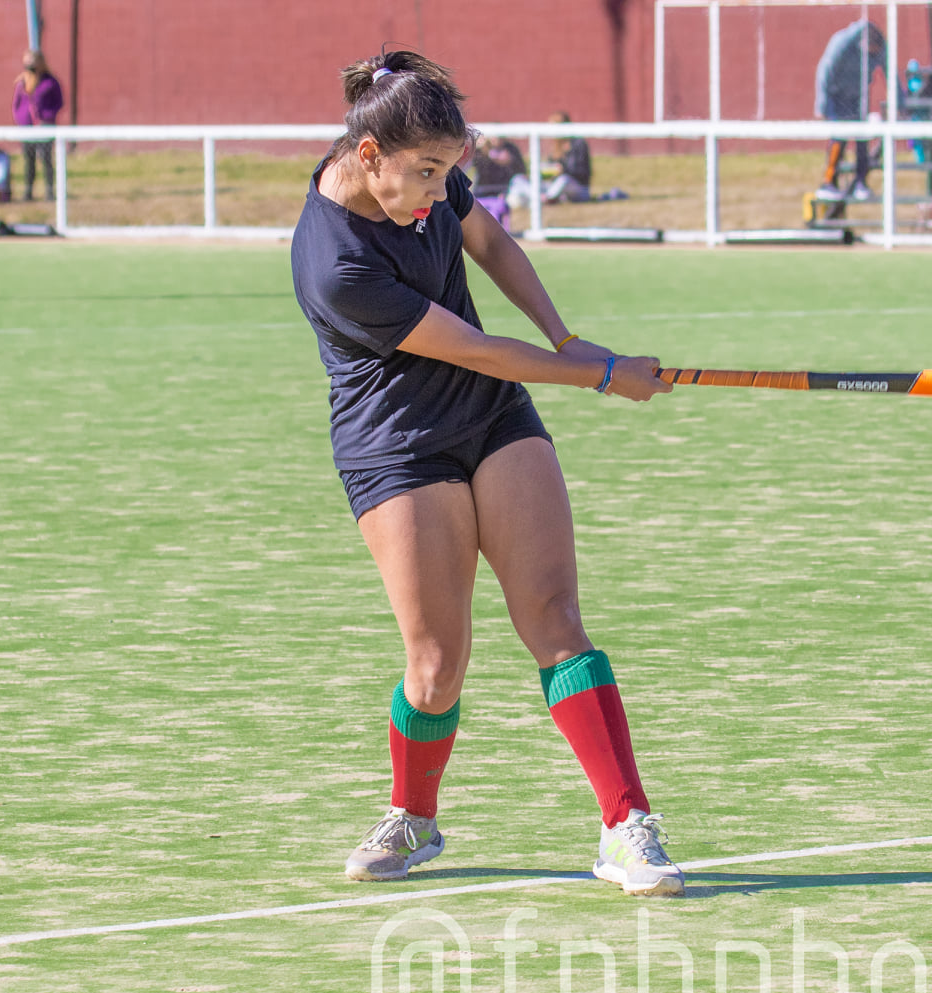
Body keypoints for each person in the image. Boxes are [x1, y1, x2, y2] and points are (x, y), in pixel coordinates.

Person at [290, 51, 684, 896]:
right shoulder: (336, 264)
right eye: (427, 174)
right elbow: (468, 344)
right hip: (398, 445)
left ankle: (626, 825)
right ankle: (414, 816)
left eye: (450, 171)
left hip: (493, 417)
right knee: (436, 665)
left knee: (555, 618)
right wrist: (604, 375)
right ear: (368, 157)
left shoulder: (424, 175)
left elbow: (490, 240)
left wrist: (566, 335)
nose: (439, 192)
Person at [814, 18, 885, 202]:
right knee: (839, 137)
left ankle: (861, 182)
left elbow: (890, 73)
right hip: (835, 97)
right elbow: (825, 69)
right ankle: (828, 182)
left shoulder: (880, 48)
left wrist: (901, 104)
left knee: (862, 138)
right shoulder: (843, 43)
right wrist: (821, 105)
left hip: (857, 98)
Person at [12, 49, 64, 202]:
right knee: (29, 161)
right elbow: (16, 104)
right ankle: (28, 193)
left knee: (46, 160)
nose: (29, 67)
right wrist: (20, 120)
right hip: (26, 128)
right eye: (27, 64)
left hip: (44, 127)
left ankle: (49, 192)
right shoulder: (22, 83)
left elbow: (59, 102)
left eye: (32, 64)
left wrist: (47, 117)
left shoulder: (50, 82)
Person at [542, 111, 591, 203]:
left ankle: (547, 199)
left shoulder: (579, 144)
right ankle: (544, 197)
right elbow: (552, 168)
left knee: (564, 180)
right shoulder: (556, 147)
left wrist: (563, 170)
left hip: (579, 189)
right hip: (561, 189)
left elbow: (582, 172)